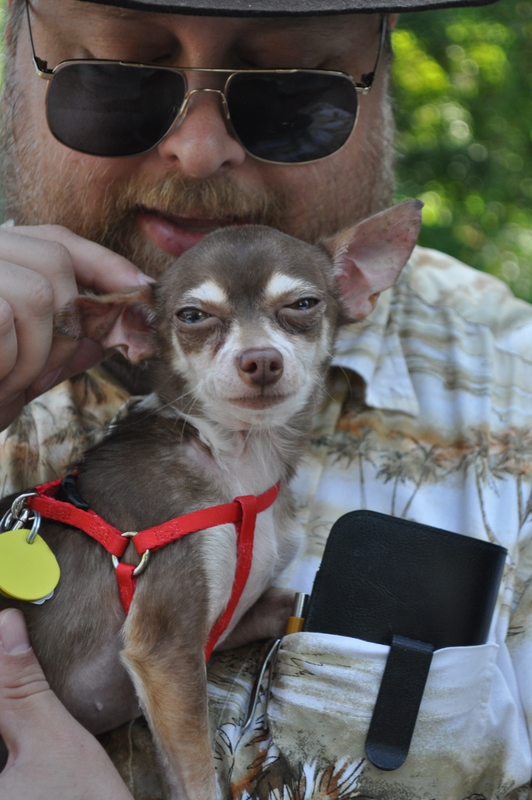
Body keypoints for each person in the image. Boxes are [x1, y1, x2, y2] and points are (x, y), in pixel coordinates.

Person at [1, 0, 532, 798]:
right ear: (14, 53)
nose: (199, 150)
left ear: (382, 64)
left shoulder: (514, 397)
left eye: (291, 85)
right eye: (115, 74)